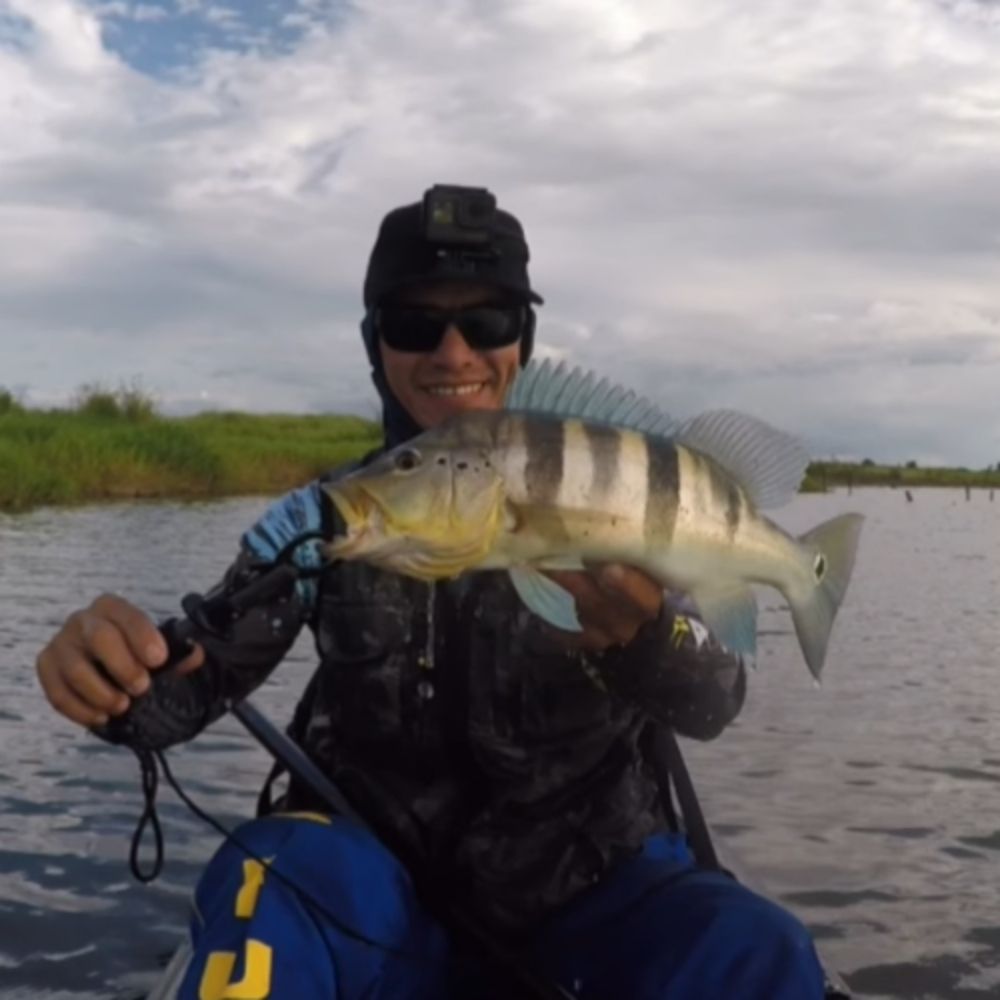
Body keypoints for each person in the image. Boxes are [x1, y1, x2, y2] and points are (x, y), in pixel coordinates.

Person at [36, 184, 827, 999]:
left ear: (522, 341)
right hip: (367, 890)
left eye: (486, 323)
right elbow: (200, 677)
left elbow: (714, 702)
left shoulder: (625, 502)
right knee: (265, 885)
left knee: (756, 952)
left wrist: (645, 635)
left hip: (596, 885)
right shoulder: (324, 520)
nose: (453, 355)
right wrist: (116, 682)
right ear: (374, 342)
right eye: (415, 324)